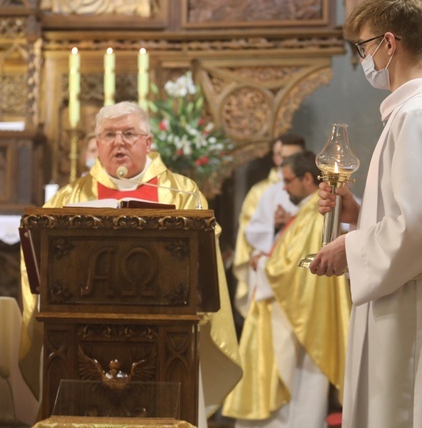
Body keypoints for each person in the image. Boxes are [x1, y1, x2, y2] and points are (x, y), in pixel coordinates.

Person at [19, 101, 242, 424]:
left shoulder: (181, 194)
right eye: (109, 134)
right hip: (81, 331)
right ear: (96, 144)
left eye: (129, 133)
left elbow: (204, 257)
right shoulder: (68, 199)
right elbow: (38, 260)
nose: (118, 142)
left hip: (167, 332)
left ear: (148, 143)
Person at [311, 0, 422, 427]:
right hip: (403, 291)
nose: (363, 60)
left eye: (363, 49)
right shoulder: (412, 112)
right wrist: (355, 211)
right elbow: (415, 210)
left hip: (410, 305)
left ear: (389, 43)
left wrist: (352, 248)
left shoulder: (416, 115)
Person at [224, 151, 351, 427]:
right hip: (292, 313)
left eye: (288, 180)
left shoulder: (316, 216)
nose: (284, 187)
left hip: (300, 319)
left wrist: (264, 264)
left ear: (307, 179)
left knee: (300, 392)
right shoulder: (305, 212)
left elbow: (300, 267)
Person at [232, 134, 305, 317]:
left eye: (294, 157)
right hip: (273, 262)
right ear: (276, 157)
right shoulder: (264, 192)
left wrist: (293, 221)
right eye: (283, 156)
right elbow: (251, 231)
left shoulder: (315, 185)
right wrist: (274, 225)